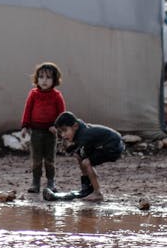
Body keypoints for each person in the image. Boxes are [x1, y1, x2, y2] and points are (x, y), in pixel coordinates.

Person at [50, 111, 124, 202]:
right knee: (79, 156)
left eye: (65, 130)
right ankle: (87, 188)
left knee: (86, 162)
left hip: (114, 147)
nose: (63, 135)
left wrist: (71, 149)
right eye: (61, 132)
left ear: (75, 126)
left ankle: (97, 193)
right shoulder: (79, 130)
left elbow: (85, 150)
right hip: (109, 143)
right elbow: (78, 149)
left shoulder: (84, 136)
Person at [20, 62, 66, 194]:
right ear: (36, 79)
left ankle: (51, 182)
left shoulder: (57, 96)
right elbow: (27, 110)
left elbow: (62, 114)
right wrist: (25, 126)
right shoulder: (33, 94)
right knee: (36, 159)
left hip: (50, 132)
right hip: (36, 131)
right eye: (41, 77)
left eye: (48, 77)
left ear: (55, 80)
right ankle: (35, 182)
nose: (44, 81)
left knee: (50, 159)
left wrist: (57, 127)